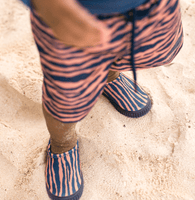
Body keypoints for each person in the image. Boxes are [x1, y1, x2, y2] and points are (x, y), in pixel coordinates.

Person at [19, 0, 183, 199]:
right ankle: (62, 144)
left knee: (156, 51)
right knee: (66, 95)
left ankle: (110, 77)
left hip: (151, 6)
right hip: (76, 12)